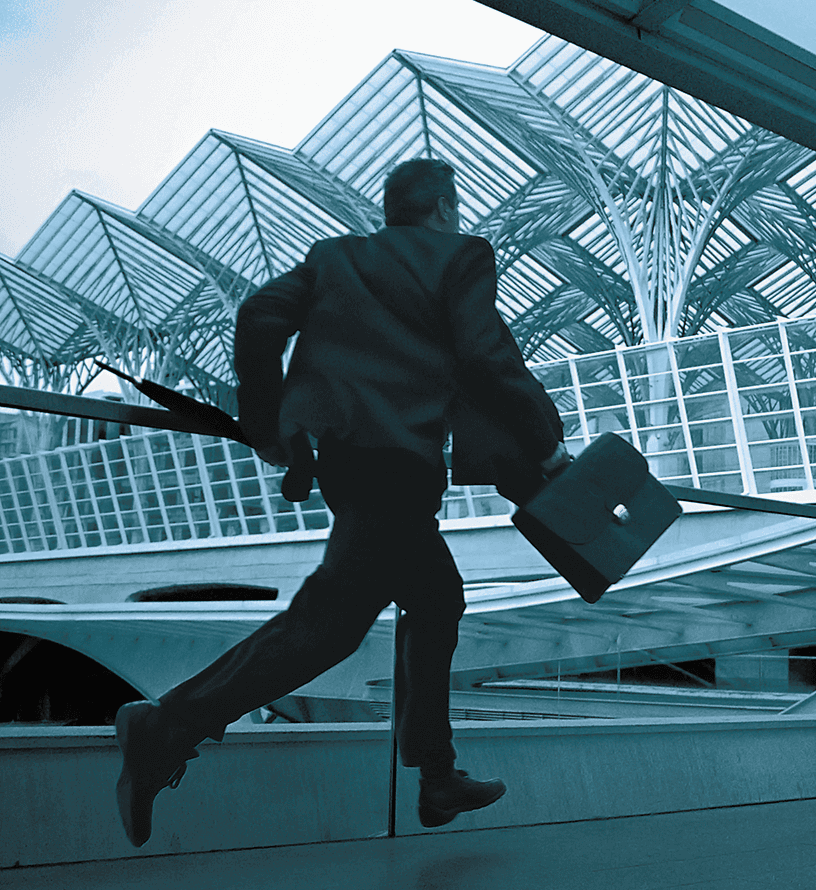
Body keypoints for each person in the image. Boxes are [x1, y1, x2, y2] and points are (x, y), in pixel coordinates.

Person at [113, 158, 572, 847]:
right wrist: (546, 447)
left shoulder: (336, 258)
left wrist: (266, 425)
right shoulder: (461, 256)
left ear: (392, 210)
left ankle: (437, 774)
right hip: (395, 466)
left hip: (347, 464)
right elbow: (487, 355)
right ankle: (166, 728)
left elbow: (260, 314)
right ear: (446, 208)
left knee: (437, 599)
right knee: (328, 628)